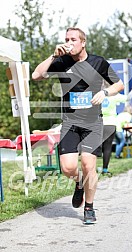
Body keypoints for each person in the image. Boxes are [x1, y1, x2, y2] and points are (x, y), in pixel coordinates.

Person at [32, 27, 124, 224]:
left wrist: (106, 93)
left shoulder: (98, 62)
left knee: (88, 165)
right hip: (70, 122)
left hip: (92, 123)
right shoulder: (62, 62)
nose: (69, 42)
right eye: (66, 39)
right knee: (68, 168)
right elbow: (36, 75)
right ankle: (79, 183)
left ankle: (89, 207)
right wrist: (52, 55)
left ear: (83, 42)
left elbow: (119, 84)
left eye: (73, 39)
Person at [101, 80, 132, 174]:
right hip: (111, 123)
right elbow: (128, 98)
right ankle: (105, 169)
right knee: (107, 147)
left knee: (94, 147)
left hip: (98, 123)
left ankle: (90, 169)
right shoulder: (114, 96)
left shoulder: (98, 94)